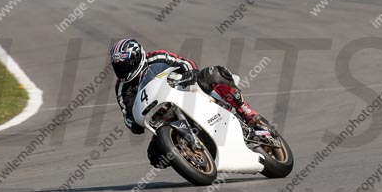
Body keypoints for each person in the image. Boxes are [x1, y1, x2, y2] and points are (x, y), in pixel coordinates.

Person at [111, 39, 269, 168]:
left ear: (137, 58)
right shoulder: (122, 88)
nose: (122, 70)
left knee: (212, 73)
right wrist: (135, 124)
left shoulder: (156, 57)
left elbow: (186, 63)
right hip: (163, 117)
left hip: (184, 91)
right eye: (118, 66)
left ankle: (247, 114)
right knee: (155, 157)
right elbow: (128, 116)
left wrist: (189, 75)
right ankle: (191, 156)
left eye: (124, 65)